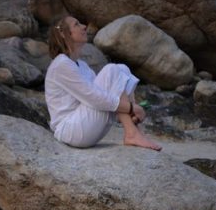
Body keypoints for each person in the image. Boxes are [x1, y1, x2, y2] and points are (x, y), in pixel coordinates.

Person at [45, 15, 162, 151]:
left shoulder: (81, 65)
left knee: (121, 69)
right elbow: (94, 98)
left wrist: (128, 109)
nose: (84, 26)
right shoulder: (61, 64)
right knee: (112, 70)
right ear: (62, 34)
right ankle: (132, 132)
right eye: (77, 24)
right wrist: (131, 108)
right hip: (70, 130)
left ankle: (133, 130)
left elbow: (105, 94)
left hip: (84, 125)